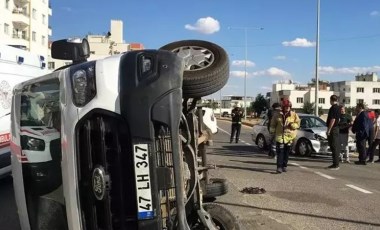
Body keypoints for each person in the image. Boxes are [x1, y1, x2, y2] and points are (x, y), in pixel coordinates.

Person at [269, 99, 300, 173]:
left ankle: (284, 165)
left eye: (289, 107)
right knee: (280, 152)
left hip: (289, 137)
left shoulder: (294, 115)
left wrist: (292, 125)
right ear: (283, 107)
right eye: (286, 107)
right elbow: (272, 124)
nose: (287, 108)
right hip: (280, 136)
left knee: (286, 152)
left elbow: (298, 124)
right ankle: (279, 167)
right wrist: (272, 133)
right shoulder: (277, 115)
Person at [326, 95, 341, 170]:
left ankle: (336, 165)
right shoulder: (338, 107)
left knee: (334, 146)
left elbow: (333, 119)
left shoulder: (333, 108)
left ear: (331, 100)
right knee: (334, 146)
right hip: (336, 128)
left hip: (333, 129)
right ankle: (334, 163)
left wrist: (329, 129)